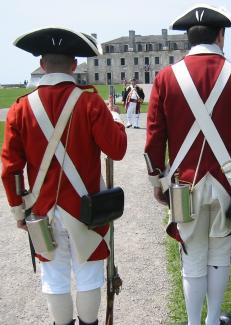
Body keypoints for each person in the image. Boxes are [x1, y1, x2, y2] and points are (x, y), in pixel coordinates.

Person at [144, 4, 231, 325]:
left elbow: (153, 139)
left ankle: (193, 321)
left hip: (185, 185)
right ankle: (213, 320)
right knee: (220, 256)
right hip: (230, 186)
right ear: (221, 36)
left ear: (189, 39)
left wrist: (157, 183)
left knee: (192, 258)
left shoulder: (165, 78)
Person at [1, 27, 127, 325]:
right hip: (87, 209)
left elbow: (9, 169)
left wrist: (20, 211)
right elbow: (117, 149)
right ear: (74, 65)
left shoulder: (20, 108)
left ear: (42, 64)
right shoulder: (90, 101)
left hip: (42, 209)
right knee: (89, 274)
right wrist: (116, 119)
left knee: (54, 277)